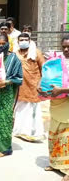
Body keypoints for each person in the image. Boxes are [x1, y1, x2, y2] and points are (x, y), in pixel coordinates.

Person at [42, 36, 69, 181]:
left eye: (68, 47)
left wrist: (62, 90)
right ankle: (55, 163)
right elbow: (49, 79)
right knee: (54, 134)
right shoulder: (57, 62)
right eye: (63, 46)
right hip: (56, 104)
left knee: (67, 138)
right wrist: (44, 90)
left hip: (67, 105)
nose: (66, 49)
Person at [13, 33, 45, 142]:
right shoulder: (16, 54)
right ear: (18, 42)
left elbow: (44, 68)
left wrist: (41, 83)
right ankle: (20, 132)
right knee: (20, 109)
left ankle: (34, 133)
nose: (23, 41)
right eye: (21, 40)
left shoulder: (36, 52)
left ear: (30, 40)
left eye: (26, 39)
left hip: (33, 86)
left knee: (33, 111)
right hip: (20, 88)